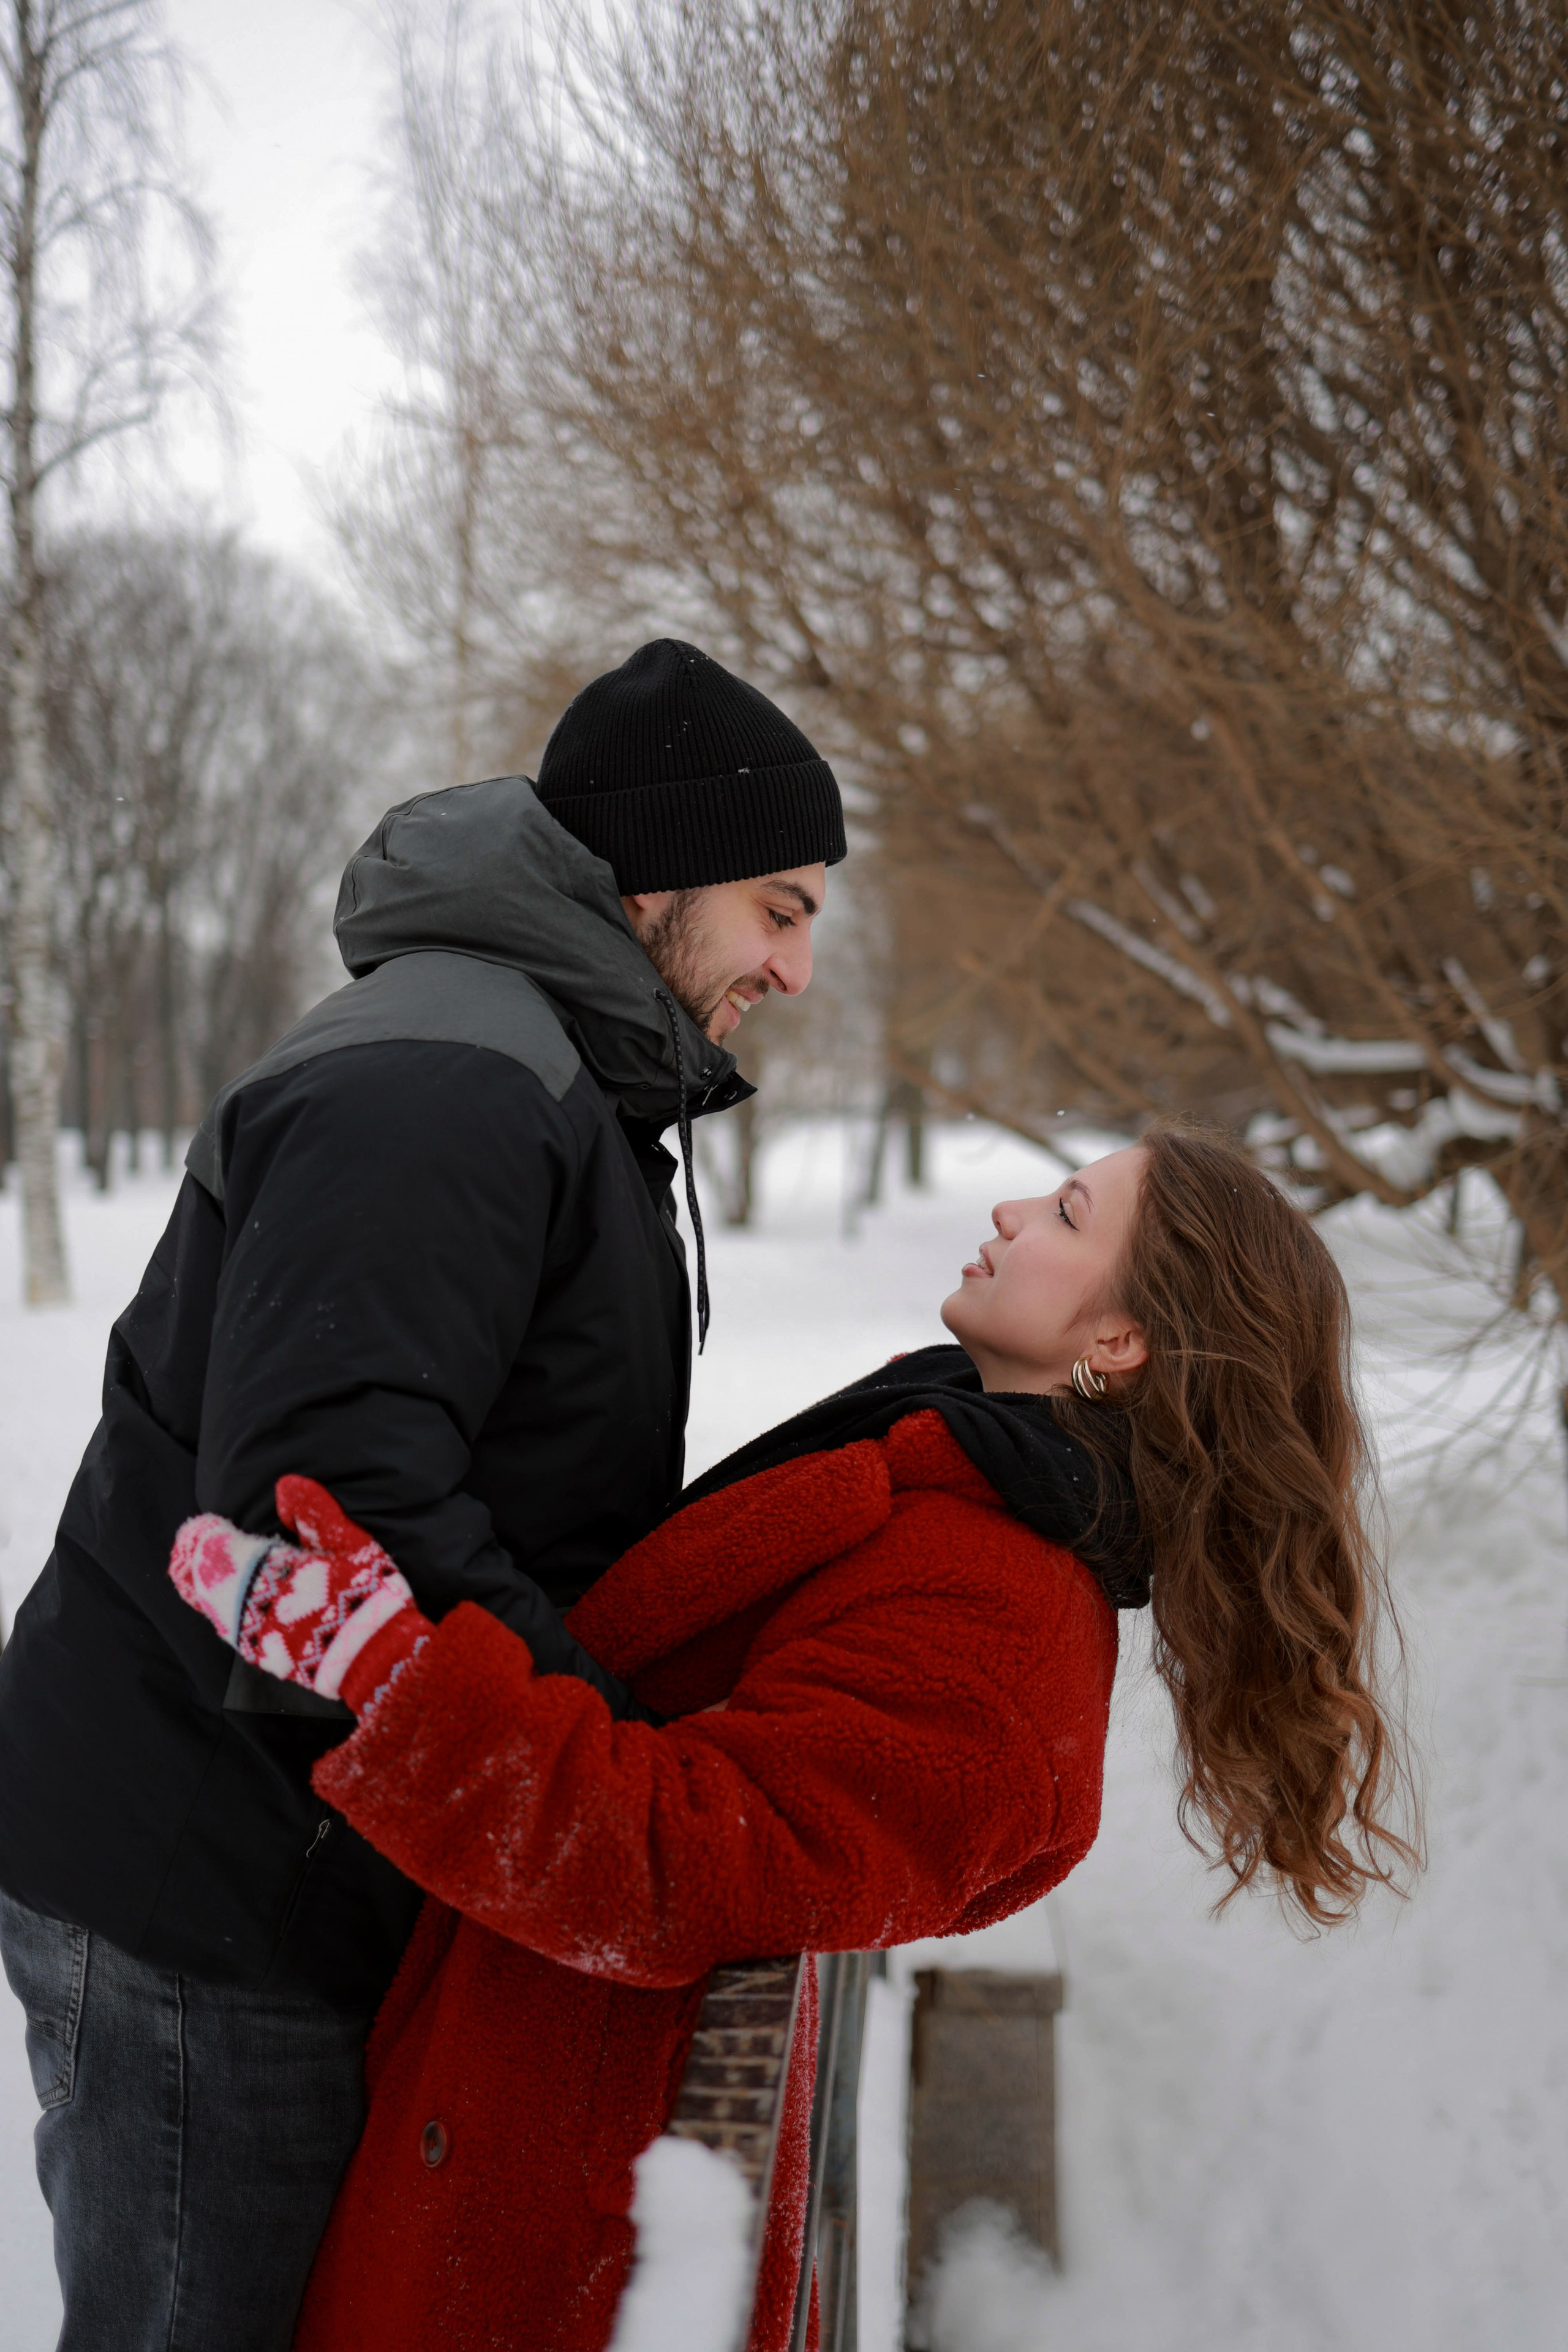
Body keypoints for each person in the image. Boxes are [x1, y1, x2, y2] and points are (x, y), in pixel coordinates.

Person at [167, 1123, 1417, 2352]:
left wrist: (394, 1676)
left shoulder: (1003, 1617)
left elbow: (682, 1865)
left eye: (1065, 1216)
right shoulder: (948, 1473)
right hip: (514, 2113)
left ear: (1119, 1340)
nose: (1008, 1217)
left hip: (561, 2247)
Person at [0, 639, 845, 2352]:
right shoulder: (443, 1083)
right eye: (780, 906)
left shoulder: (546, 1073)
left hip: (307, 1856)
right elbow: (325, 1515)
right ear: (658, 875)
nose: (796, 967)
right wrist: (604, 1755)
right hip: (208, 1886)